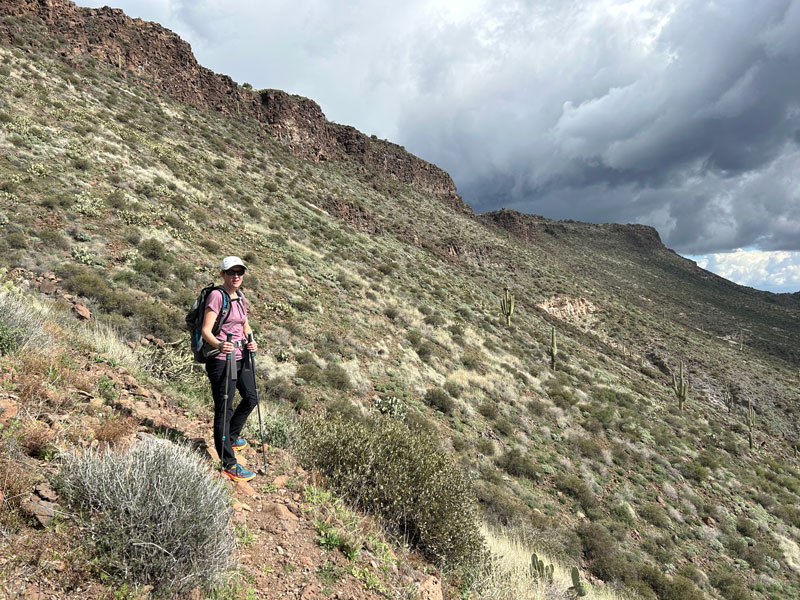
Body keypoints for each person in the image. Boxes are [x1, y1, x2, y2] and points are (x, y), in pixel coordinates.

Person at [201, 256, 259, 482]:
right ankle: (228, 463)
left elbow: (244, 323)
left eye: (240, 272)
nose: (236, 276)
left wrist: (251, 340)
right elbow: (207, 330)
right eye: (231, 272)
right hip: (222, 359)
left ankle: (231, 436)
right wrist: (218, 344)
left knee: (251, 397)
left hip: (241, 355)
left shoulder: (240, 296)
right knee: (223, 410)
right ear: (222, 274)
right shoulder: (217, 296)